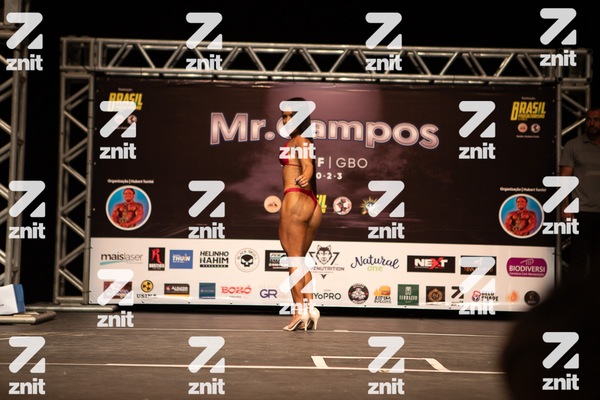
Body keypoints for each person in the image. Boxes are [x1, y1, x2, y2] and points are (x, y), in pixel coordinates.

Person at [278, 97, 322, 331]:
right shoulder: (303, 140)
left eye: (291, 116)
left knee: (293, 260)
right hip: (311, 203)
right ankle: (311, 308)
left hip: (296, 198)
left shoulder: (300, 140)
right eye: (284, 116)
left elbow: (308, 165)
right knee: (301, 260)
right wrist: (306, 174)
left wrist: (306, 175)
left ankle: (298, 312)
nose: (286, 120)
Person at [559, 105, 600, 283]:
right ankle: (574, 297)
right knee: (578, 258)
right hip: (582, 211)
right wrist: (565, 206)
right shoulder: (573, 145)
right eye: (589, 119)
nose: (592, 123)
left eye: (596, 120)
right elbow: (564, 179)